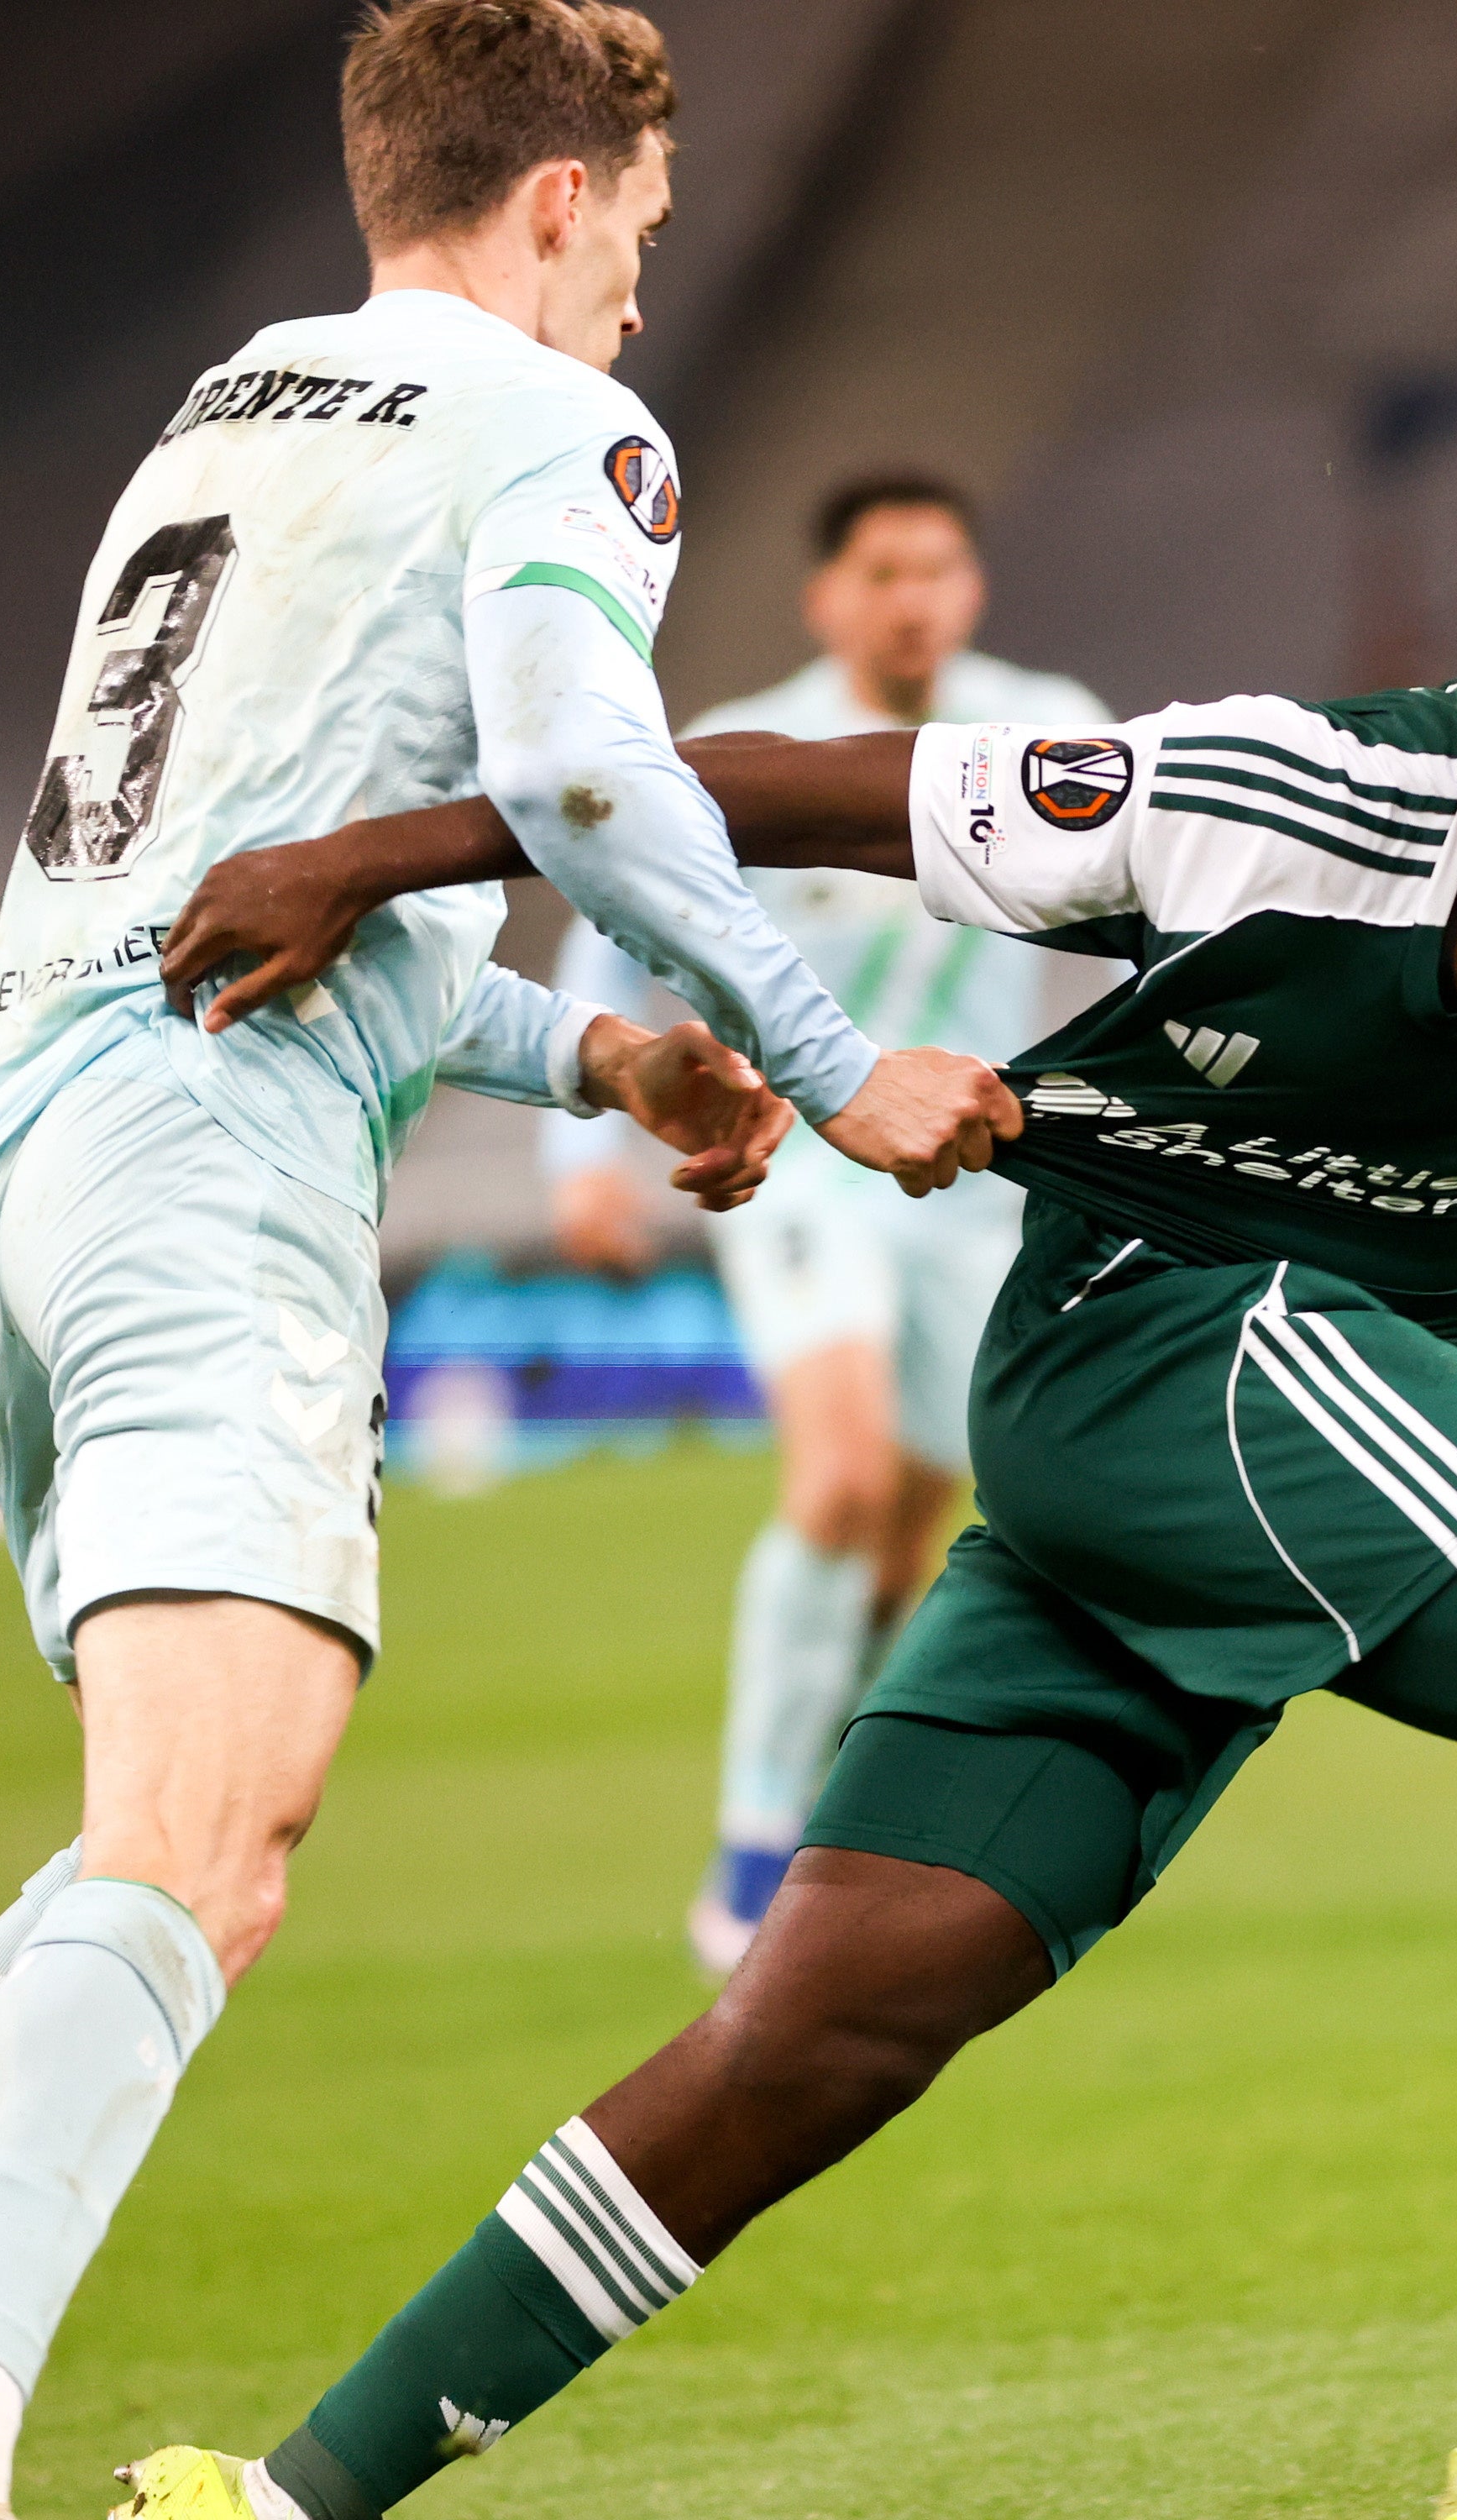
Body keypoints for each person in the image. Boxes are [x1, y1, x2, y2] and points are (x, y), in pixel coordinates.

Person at [116, 465, 1457, 2520]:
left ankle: (276, 2500)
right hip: (1171, 1338)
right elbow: (775, 785)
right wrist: (367, 857)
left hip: (1233, 1409)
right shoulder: (1276, 802)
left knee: (817, 2034)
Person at [0, 13, 1022, 2520]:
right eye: (641, 241)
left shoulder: (232, 406)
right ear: (558, 199)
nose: (644, 304)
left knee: (142, 1846)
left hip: (15, 1167)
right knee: (202, 1850)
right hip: (204, 1197)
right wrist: (810, 1042)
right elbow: (580, 772)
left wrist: (604, 1061)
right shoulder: (566, 432)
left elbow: (260, 902)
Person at [537, 474, 1114, 1975]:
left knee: (909, 1535)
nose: (912, 597)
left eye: (939, 567)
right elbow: (609, 921)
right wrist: (581, 1163)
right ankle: (745, 1868)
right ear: (830, 598)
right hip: (803, 1159)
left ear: (972, 588)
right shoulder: (757, 749)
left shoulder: (1041, 730)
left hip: (971, 1178)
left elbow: (1143, 910)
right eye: (883, 572)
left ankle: (836, 1831)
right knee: (842, 1475)